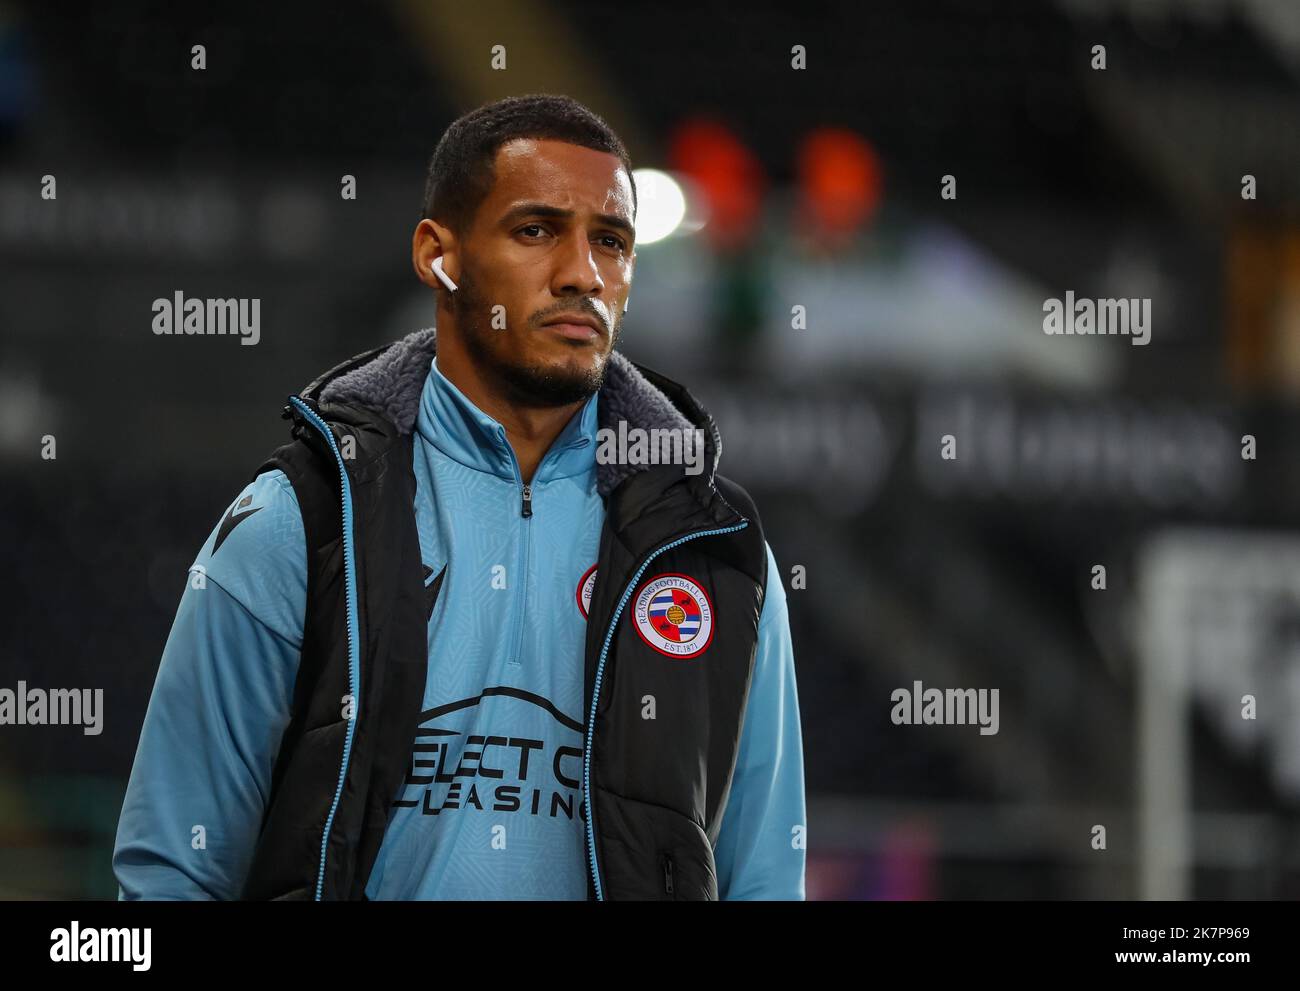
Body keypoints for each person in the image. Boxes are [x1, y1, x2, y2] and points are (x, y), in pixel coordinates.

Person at [112, 93, 806, 901]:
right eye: (536, 230)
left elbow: (763, 882)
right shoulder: (299, 520)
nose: (583, 274)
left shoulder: (716, 552)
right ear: (438, 254)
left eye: (611, 242)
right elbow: (174, 872)